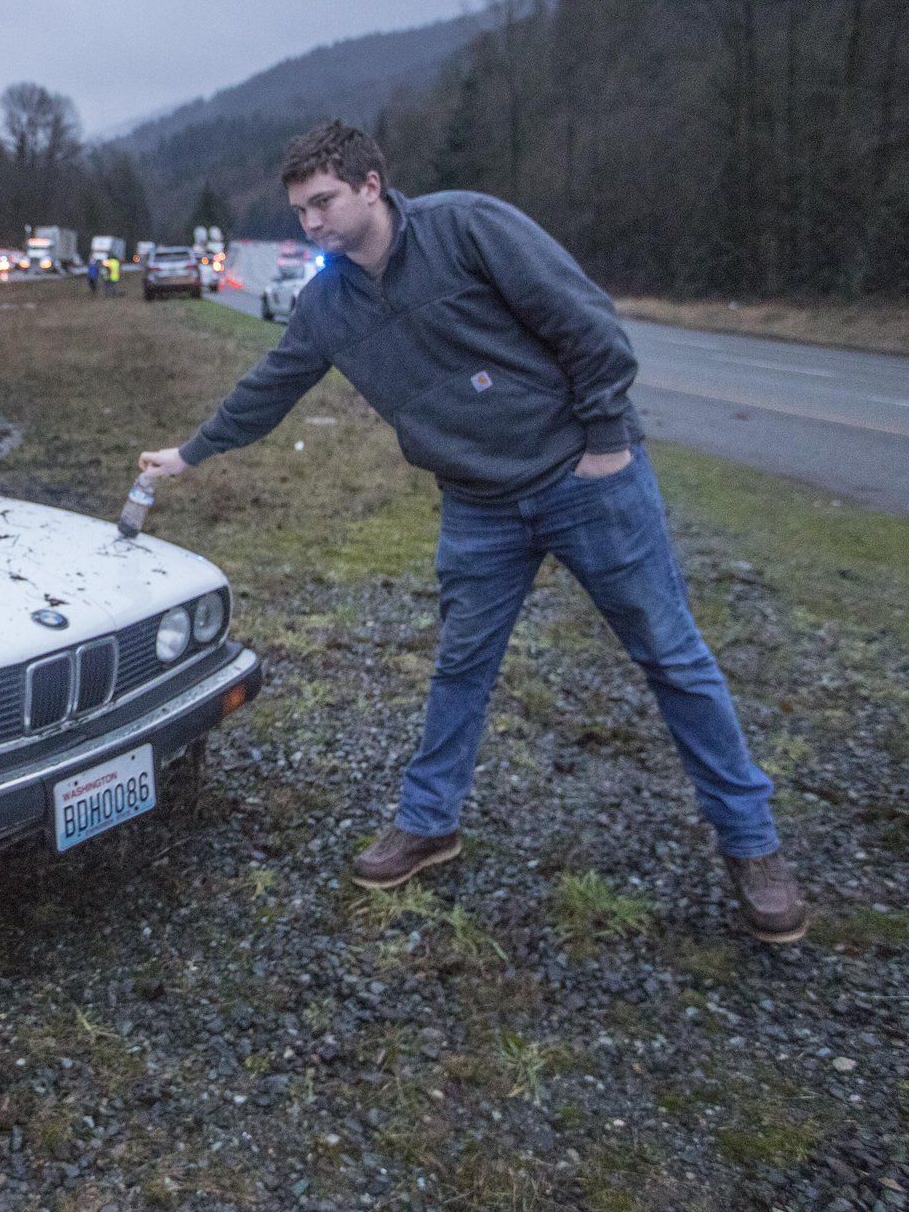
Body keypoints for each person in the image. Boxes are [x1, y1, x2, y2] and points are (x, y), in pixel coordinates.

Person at [136, 120, 805, 942]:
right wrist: (192, 453)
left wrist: (602, 443)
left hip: (584, 478)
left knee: (670, 655)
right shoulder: (328, 303)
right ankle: (429, 822)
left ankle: (753, 845)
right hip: (480, 506)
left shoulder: (468, 228)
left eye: (323, 204)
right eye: (300, 211)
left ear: (371, 186)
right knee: (460, 665)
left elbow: (588, 324)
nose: (309, 225)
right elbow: (271, 385)